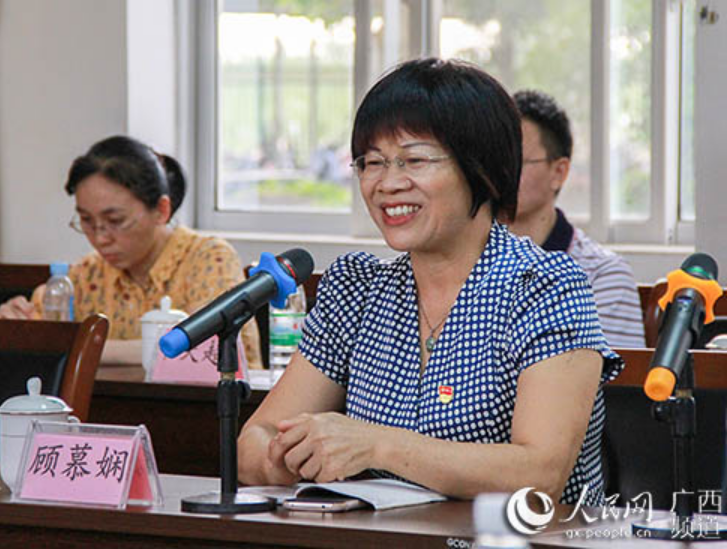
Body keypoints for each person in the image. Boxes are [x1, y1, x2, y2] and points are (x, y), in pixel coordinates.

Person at [238, 58, 622, 506]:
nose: (387, 183)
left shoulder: (544, 287)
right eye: (372, 162)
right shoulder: (358, 289)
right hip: (374, 535)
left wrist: (378, 445)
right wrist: (288, 457)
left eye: (415, 160)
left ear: (482, 169)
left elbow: (539, 474)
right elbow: (254, 442)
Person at [0, 136, 262, 368]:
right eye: (86, 220)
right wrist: (11, 324)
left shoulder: (209, 258)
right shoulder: (87, 275)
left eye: (115, 221)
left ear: (161, 210)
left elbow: (206, 347)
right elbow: (39, 338)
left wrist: (85, 346)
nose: (100, 238)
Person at [509, 90, 646, 348]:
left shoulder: (603, 275)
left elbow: (610, 374)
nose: (501, 172)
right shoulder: (464, 261)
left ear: (558, 172)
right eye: (494, 159)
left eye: (517, 161)